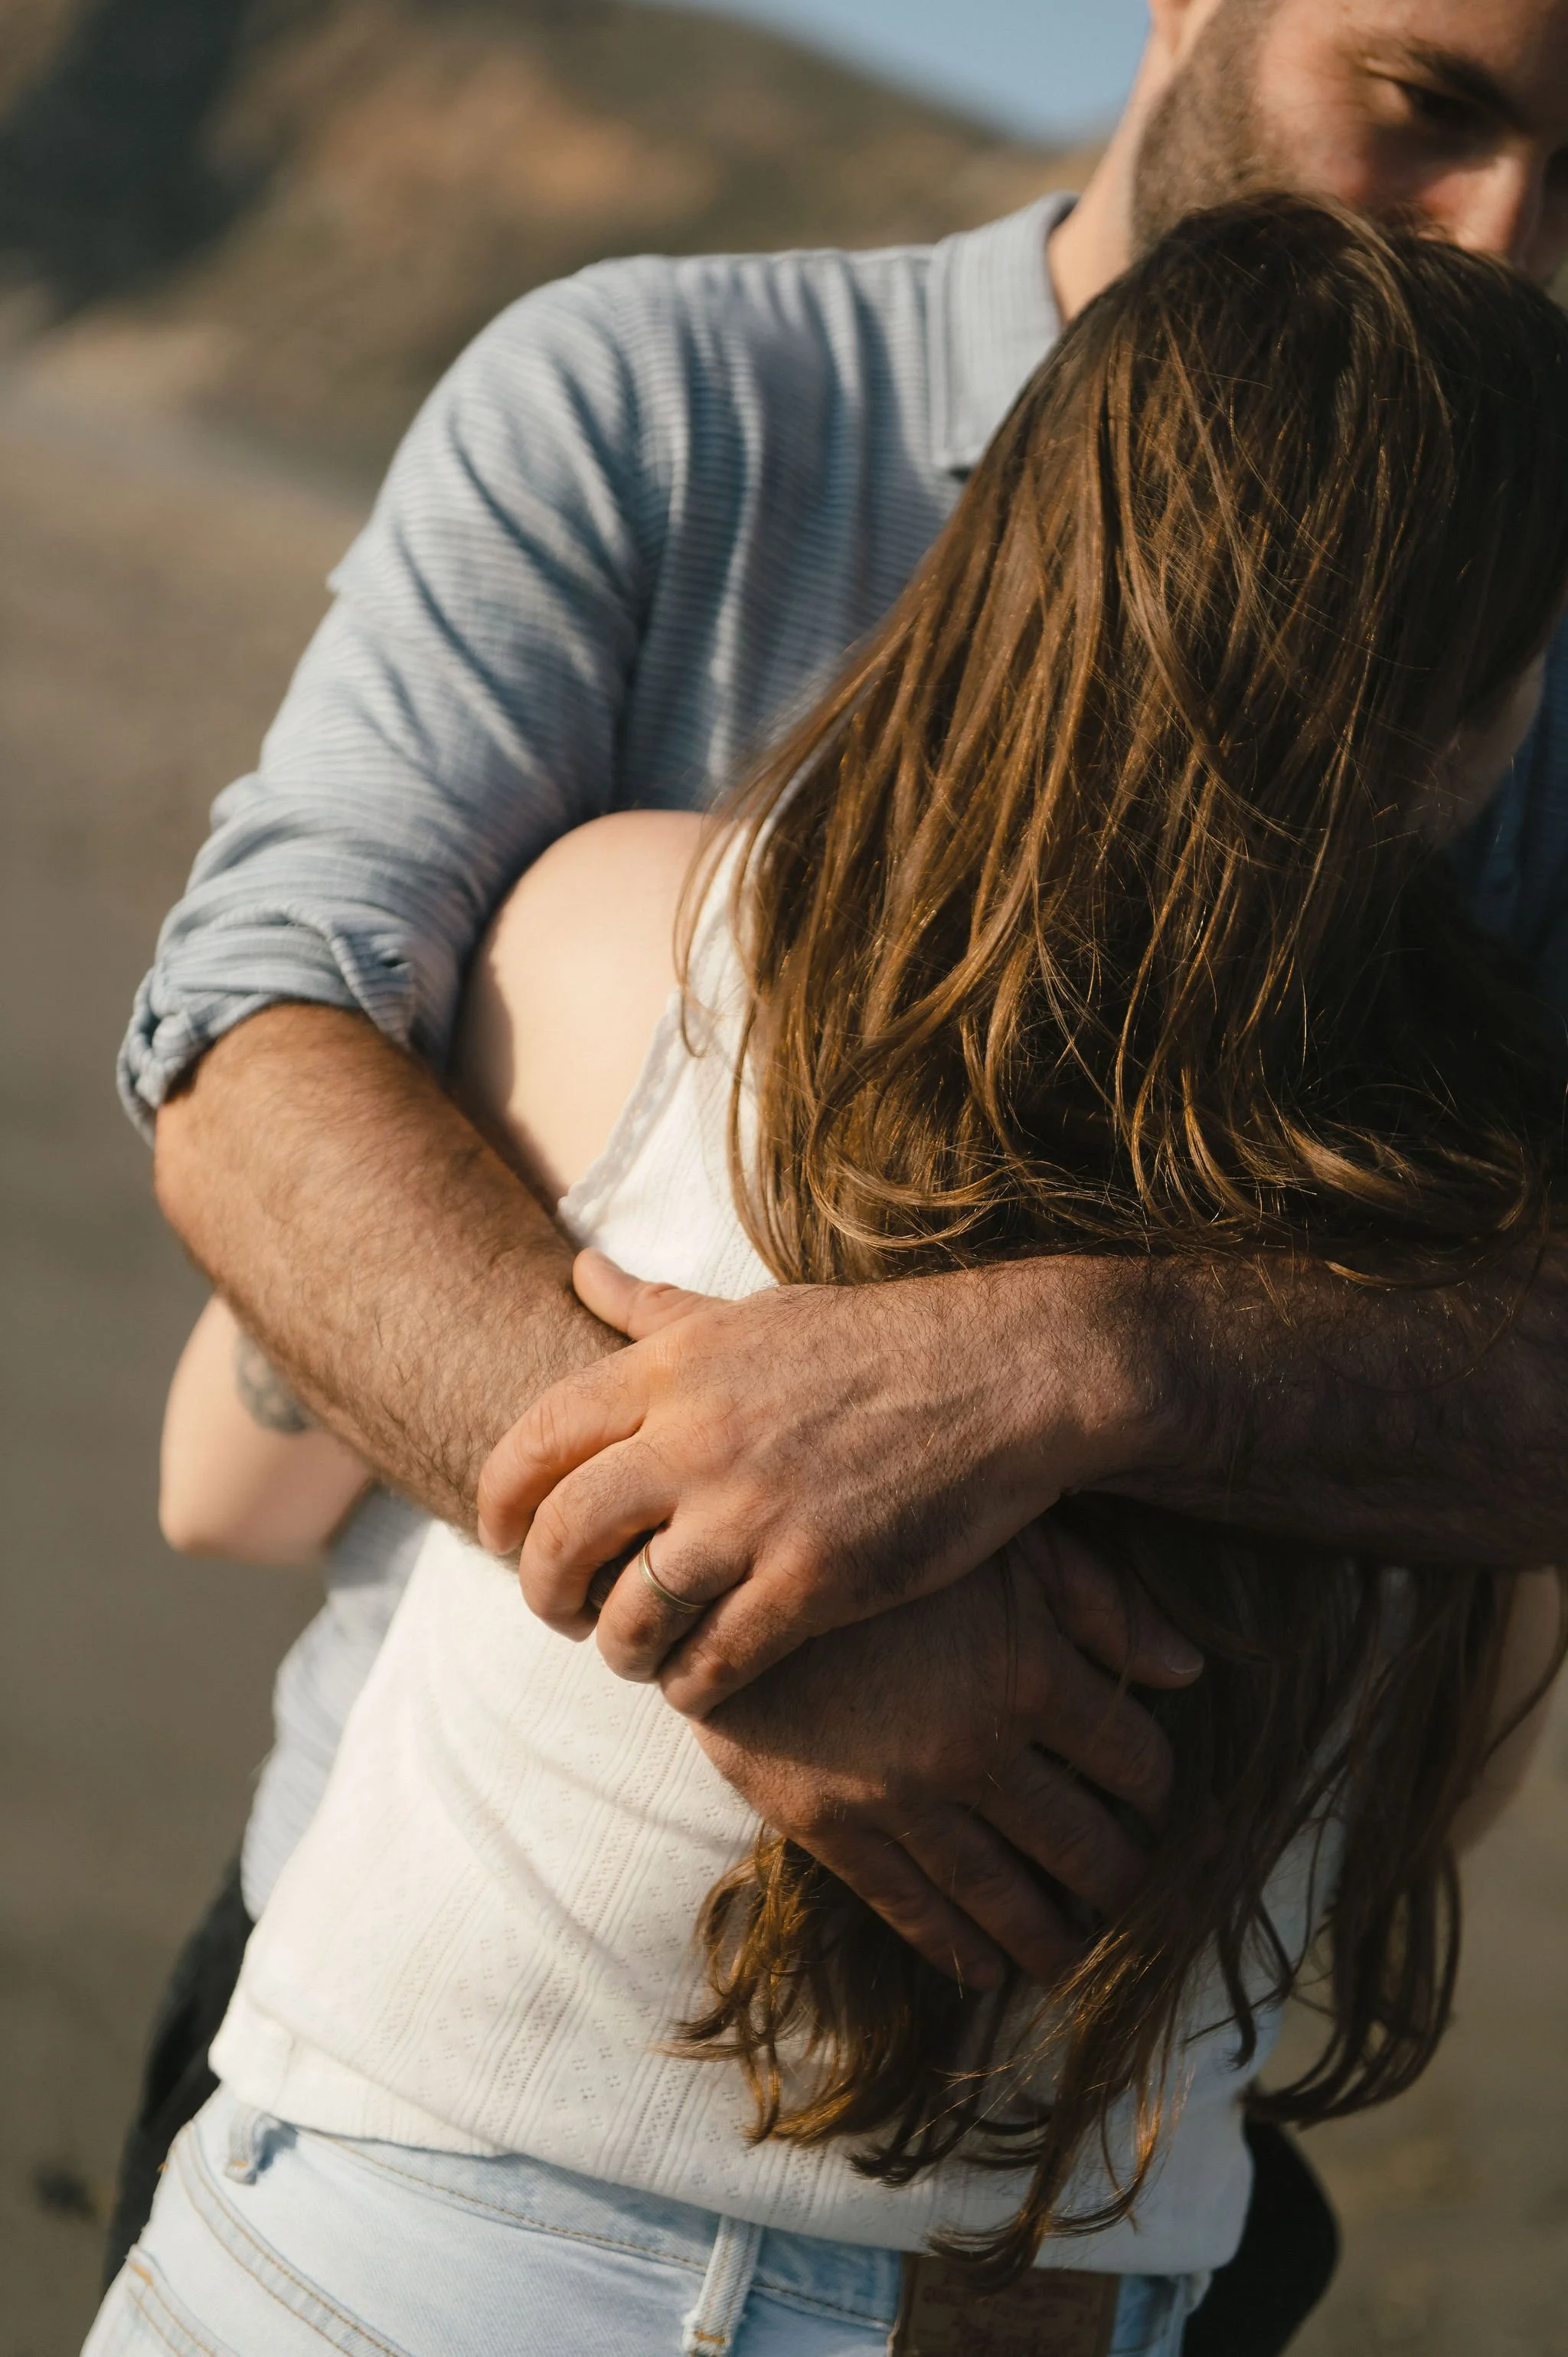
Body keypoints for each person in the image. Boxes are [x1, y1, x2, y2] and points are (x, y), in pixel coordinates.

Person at [106, 0, 1568, 2322]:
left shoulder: (624, 921)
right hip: (457, 2033)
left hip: (1086, 2178)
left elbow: (236, 1421)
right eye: (1425, 106)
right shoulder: (670, 402)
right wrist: (741, 1616)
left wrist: (1078, 1361)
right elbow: (257, 1055)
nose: (1512, 240)